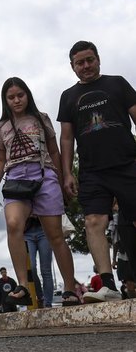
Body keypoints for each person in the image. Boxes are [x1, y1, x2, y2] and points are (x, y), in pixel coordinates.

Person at [0, 77, 78, 306]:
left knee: (55, 235)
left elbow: (54, 151)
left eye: (20, 95)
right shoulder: (1, 126)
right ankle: (23, 285)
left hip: (43, 175)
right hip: (15, 178)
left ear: (27, 95)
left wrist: (64, 176)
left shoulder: (41, 118)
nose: (16, 100)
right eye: (11, 97)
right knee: (14, 224)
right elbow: (0, 159)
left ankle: (70, 288)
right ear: (5, 100)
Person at [58, 40, 136, 303]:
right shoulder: (68, 97)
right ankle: (108, 285)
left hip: (128, 163)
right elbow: (66, 138)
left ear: (98, 59)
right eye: (80, 62)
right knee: (93, 222)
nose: (86, 66)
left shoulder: (118, 83)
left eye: (90, 59)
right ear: (72, 67)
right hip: (92, 171)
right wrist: (67, 173)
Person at [23, 216, 54, 307]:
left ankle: (48, 304)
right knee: (31, 267)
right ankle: (40, 297)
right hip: (27, 232)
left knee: (46, 270)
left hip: (44, 229)